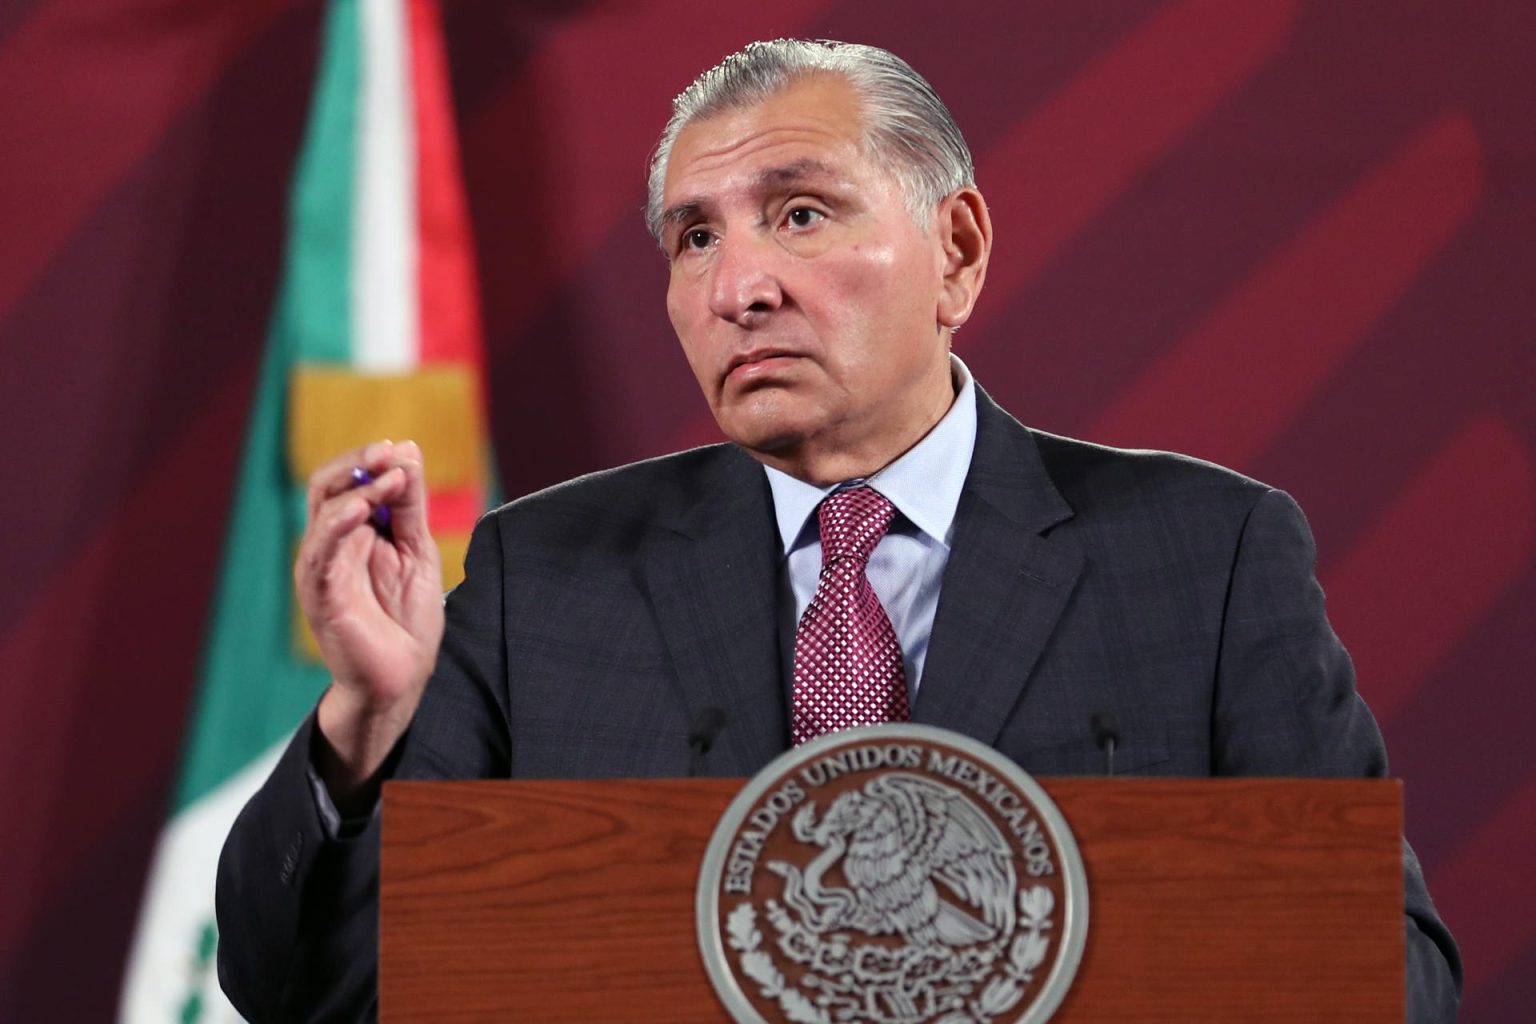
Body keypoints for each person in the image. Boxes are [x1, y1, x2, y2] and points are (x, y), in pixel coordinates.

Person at [216, 39, 1461, 1021]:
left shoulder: (1208, 554)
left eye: (799, 212)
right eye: (693, 236)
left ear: (956, 252)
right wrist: (364, 724)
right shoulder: (543, 574)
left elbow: (1392, 976)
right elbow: (315, 997)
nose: (735, 285)